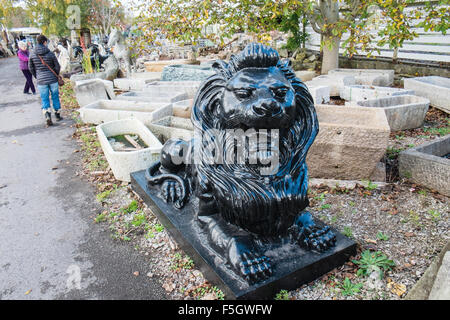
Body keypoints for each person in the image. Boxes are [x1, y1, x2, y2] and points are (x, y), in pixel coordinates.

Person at [29, 34, 63, 127]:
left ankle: (47, 116)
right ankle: (57, 115)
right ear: (44, 42)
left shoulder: (32, 54)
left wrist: (37, 76)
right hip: (52, 79)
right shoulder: (50, 53)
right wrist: (55, 74)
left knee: (44, 98)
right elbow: (57, 66)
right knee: (55, 96)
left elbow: (30, 67)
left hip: (41, 80)